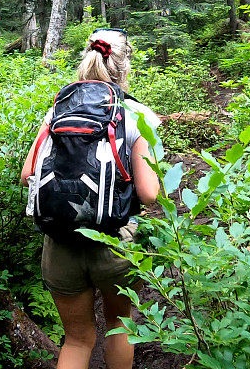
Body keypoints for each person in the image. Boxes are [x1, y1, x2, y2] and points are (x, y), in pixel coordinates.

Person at [20, 28, 160, 369]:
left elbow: (27, 175)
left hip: (61, 244)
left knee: (78, 338)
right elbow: (149, 193)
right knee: (118, 327)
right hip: (115, 245)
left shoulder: (57, 110)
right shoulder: (139, 115)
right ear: (125, 66)